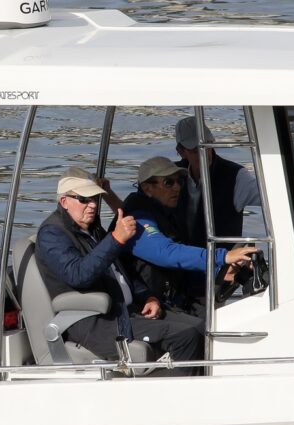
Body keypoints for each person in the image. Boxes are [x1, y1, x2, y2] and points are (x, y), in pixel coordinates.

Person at [34, 168, 204, 374]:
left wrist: (147, 296)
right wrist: (115, 239)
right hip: (94, 322)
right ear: (64, 202)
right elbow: (78, 275)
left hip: (124, 310)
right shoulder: (52, 234)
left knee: (201, 328)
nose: (93, 205)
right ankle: (175, 402)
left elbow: (121, 271)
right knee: (185, 337)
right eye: (84, 199)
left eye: (95, 198)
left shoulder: (91, 228)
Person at [122, 156, 258, 315]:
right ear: (147, 188)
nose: (177, 188)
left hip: (175, 295)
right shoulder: (137, 220)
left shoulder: (164, 212)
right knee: (200, 328)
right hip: (149, 304)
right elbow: (167, 253)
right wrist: (224, 256)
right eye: (169, 183)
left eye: (179, 181)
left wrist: (221, 271)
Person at [174, 116, 261, 247]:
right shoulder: (170, 175)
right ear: (181, 151)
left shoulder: (236, 176)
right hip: (180, 261)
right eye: (195, 150)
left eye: (208, 145)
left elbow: (276, 201)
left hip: (223, 263)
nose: (204, 153)